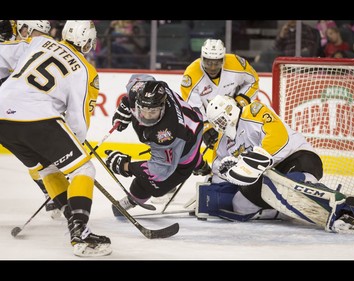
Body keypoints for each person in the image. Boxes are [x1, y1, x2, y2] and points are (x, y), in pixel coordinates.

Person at [0, 20, 112, 257]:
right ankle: (80, 234)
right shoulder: (85, 69)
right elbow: (78, 117)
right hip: (36, 118)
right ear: (88, 42)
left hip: (2, 117)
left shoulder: (40, 41)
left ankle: (73, 219)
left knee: (47, 169)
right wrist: (75, 144)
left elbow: (3, 55)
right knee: (84, 170)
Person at [195, 95, 354, 233]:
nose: (221, 125)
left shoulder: (253, 111)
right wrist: (224, 173)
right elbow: (218, 169)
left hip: (296, 157)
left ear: (230, 110)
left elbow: (279, 136)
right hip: (268, 176)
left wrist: (251, 161)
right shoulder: (223, 143)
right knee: (240, 205)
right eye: (218, 123)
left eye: (222, 120)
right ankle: (287, 210)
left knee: (291, 184)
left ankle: (343, 211)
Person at [104, 74, 206, 217]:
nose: (146, 115)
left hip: (188, 141)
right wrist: (126, 103)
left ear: (163, 107)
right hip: (188, 123)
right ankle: (200, 164)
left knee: (154, 186)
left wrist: (125, 166)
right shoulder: (139, 90)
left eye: (153, 111)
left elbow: (158, 172)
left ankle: (195, 161)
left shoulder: (167, 132)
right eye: (143, 109)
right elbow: (141, 78)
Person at [0, 20, 62, 218]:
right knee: (35, 157)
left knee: (33, 157)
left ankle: (52, 191)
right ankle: (52, 191)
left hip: (12, 114)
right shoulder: (26, 47)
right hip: (13, 113)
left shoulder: (22, 46)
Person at [180, 38, 260, 155]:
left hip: (237, 115)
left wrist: (239, 102)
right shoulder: (191, 74)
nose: (212, 67)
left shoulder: (236, 63)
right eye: (208, 62)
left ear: (223, 59)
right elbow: (193, 107)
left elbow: (253, 81)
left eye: (217, 62)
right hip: (211, 119)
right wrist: (206, 127)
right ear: (202, 58)